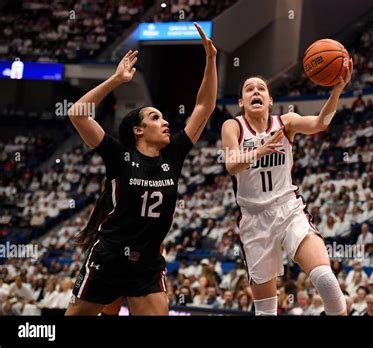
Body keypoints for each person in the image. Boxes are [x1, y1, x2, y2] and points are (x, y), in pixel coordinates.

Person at [65, 23, 217, 316]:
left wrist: (210, 60)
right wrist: (115, 80)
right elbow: (77, 113)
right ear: (138, 129)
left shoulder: (173, 153)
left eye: (163, 118)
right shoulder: (118, 155)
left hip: (147, 263)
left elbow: (205, 106)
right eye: (155, 117)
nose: (165, 122)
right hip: (108, 258)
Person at [221, 60, 353, 316]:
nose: (256, 92)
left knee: (326, 280)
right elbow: (231, 164)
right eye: (249, 89)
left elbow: (320, 124)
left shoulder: (286, 122)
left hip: (289, 210)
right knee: (266, 312)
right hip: (254, 220)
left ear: (270, 100)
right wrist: (259, 151)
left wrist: (336, 91)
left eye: (261, 88)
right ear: (241, 102)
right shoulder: (233, 126)